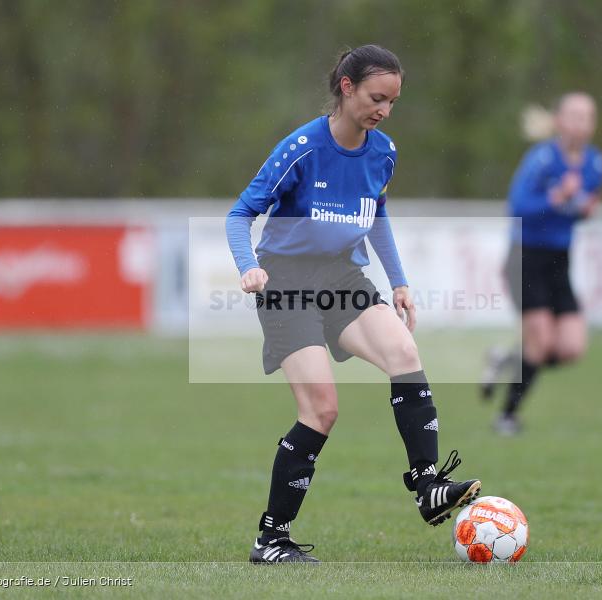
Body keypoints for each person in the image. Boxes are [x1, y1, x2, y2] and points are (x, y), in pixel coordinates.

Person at [225, 45, 481, 564]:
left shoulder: (383, 151)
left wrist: (400, 281)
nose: (383, 110)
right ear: (347, 87)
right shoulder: (301, 147)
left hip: (343, 277)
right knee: (322, 411)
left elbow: (378, 213)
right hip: (288, 283)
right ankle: (271, 539)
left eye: (392, 102)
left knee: (404, 354)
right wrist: (247, 265)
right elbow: (239, 214)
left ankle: (427, 485)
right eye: (375, 97)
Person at [481, 93, 602, 435]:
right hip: (525, 257)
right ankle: (507, 416)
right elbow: (519, 208)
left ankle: (506, 360)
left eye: (588, 116)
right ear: (559, 121)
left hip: (559, 261)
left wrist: (582, 209)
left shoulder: (596, 164)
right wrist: (557, 198)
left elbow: (579, 210)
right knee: (538, 340)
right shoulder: (541, 159)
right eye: (574, 115)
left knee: (570, 348)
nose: (581, 123)